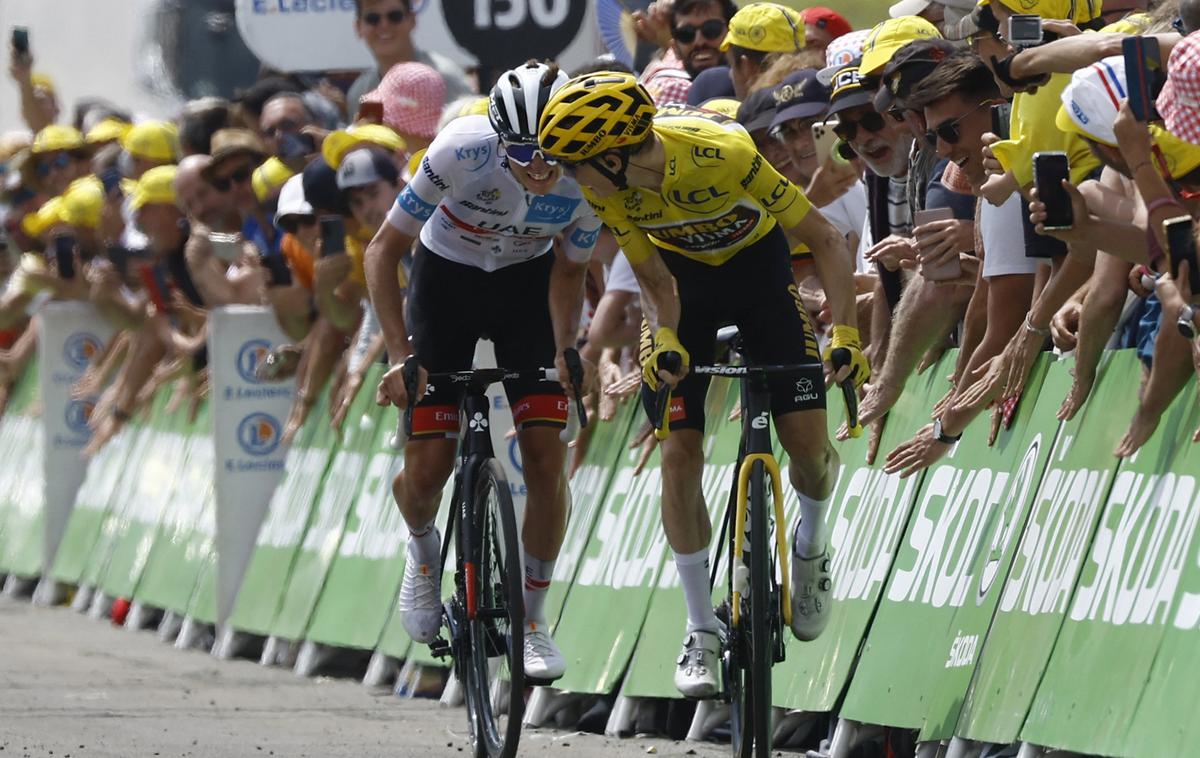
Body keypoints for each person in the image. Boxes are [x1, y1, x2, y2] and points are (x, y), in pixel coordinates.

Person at [538, 71, 867, 698]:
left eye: (575, 165)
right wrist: (663, 338)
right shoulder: (607, 190)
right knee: (677, 453)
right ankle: (700, 628)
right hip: (685, 290)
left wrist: (847, 334)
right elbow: (656, 283)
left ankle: (812, 542)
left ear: (611, 155)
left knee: (809, 450)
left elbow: (824, 239)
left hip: (758, 275)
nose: (568, 179)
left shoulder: (728, 154)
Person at [365, 62, 603, 682]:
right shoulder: (461, 149)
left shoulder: (588, 176)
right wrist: (399, 354)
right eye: (522, 152)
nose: (540, 166)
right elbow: (383, 250)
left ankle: (532, 621)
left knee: (546, 457)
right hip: (445, 286)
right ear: (499, 138)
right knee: (428, 470)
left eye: (551, 151)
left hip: (527, 289)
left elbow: (571, 272)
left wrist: (565, 348)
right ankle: (422, 557)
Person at [346, 0, 472, 110]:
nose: (384, 25)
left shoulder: (446, 78)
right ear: (358, 27)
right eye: (372, 18)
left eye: (394, 16)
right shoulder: (359, 92)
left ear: (412, 19)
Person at [640, 0, 739, 105]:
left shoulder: (754, 84)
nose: (699, 41)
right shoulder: (672, 89)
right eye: (686, 34)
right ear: (675, 49)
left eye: (711, 29)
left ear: (733, 34)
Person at [721, 2, 807, 98]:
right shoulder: (822, 103)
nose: (730, 75)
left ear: (747, 67)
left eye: (732, 66)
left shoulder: (743, 111)